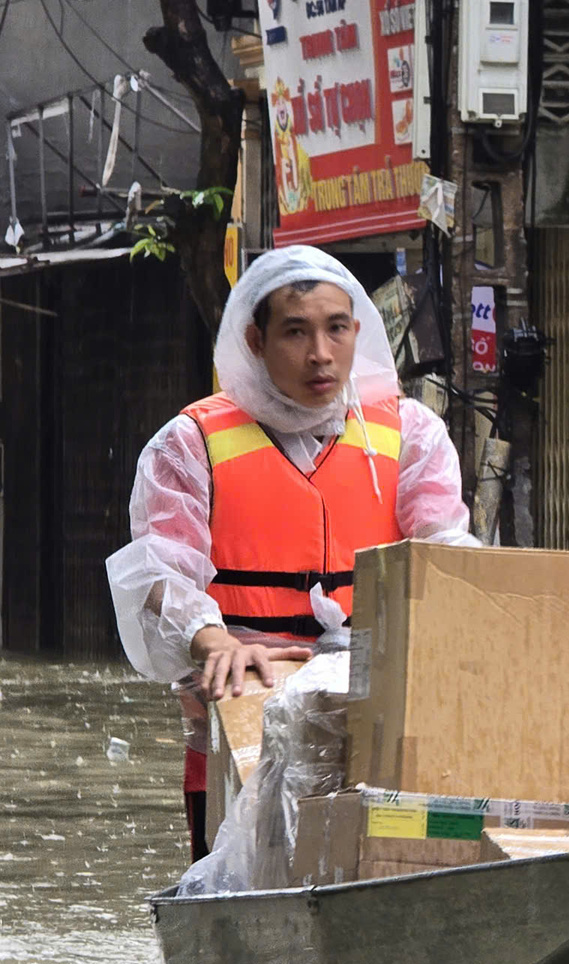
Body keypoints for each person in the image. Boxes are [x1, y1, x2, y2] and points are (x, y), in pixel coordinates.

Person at [106, 247, 475, 859]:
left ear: (358, 331)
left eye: (335, 329)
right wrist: (211, 638)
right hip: (239, 720)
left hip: (376, 717)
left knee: (386, 868)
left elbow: (446, 557)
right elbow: (159, 569)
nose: (320, 354)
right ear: (255, 339)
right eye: (295, 332)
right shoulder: (190, 442)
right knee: (232, 885)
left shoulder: (411, 432)